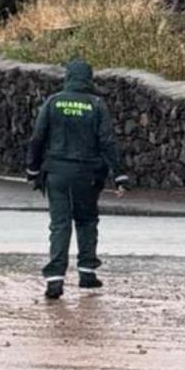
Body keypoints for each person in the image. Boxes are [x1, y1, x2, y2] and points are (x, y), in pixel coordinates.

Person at [26, 59, 128, 300]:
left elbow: (38, 138)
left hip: (56, 173)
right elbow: (107, 142)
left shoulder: (53, 102)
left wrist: (32, 169)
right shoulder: (96, 104)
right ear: (89, 78)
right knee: (86, 221)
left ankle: (55, 279)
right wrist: (120, 175)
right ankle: (87, 273)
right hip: (87, 175)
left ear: (68, 77)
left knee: (60, 224)